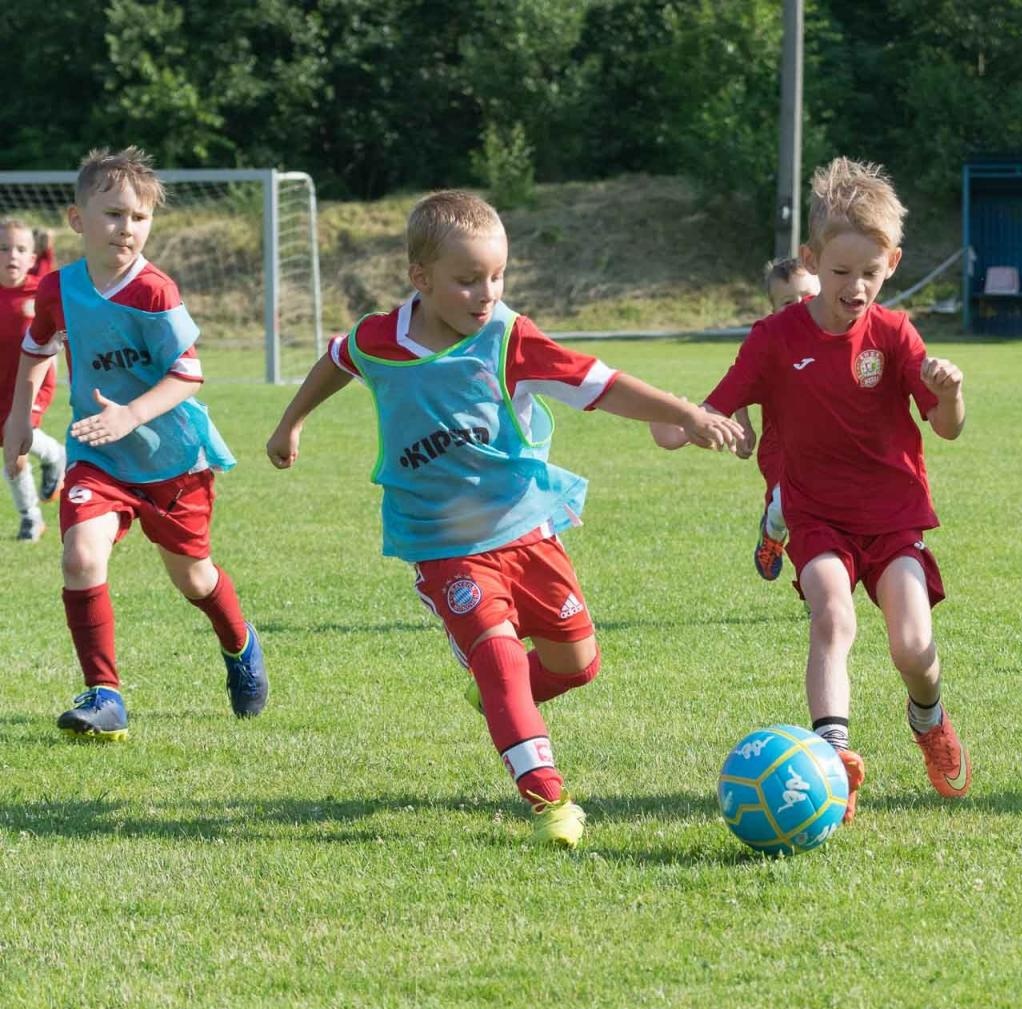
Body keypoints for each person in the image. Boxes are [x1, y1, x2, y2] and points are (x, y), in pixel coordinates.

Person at [266, 190, 742, 847]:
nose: (486, 293)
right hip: (442, 542)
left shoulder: (509, 337)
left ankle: (499, 700)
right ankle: (550, 798)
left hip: (525, 529)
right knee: (497, 657)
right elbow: (340, 358)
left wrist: (684, 414)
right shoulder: (381, 340)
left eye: (497, 277)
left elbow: (600, 384)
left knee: (577, 664)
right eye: (467, 281)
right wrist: (291, 423)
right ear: (420, 279)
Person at [693, 158, 970, 824]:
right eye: (840, 273)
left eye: (869, 274)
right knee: (831, 617)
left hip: (894, 517)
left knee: (912, 648)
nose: (855, 288)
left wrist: (950, 391)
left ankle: (928, 718)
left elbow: (948, 429)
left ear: (893, 262)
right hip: (815, 515)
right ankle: (830, 758)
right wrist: (690, 426)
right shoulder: (774, 338)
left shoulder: (896, 334)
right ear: (812, 260)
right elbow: (718, 406)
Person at [2, 147, 268, 740]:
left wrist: (131, 415)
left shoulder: (154, 290)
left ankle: (240, 642)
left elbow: (188, 374)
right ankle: (105, 695)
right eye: (114, 214)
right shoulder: (57, 289)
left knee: (193, 578)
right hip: (98, 455)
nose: (128, 228)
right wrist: (18, 418)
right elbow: (37, 350)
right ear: (77, 220)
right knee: (79, 556)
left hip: (171, 459)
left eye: (139, 217)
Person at [650, 257, 820, 580]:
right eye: (788, 302)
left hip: (829, 453)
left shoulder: (841, 334)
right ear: (772, 310)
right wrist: (741, 424)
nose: (800, 307)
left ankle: (817, 589)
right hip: (781, 450)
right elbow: (739, 384)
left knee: (822, 517)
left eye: (808, 297)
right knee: (790, 506)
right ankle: (772, 532)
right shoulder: (771, 344)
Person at [0, 219, 66, 540]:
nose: (12, 255)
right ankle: (56, 455)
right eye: (3, 248)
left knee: (13, 446)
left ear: (31, 258)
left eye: (21, 249)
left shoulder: (41, 290)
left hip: (32, 385)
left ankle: (31, 518)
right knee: (7, 441)